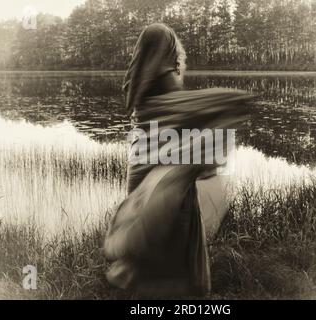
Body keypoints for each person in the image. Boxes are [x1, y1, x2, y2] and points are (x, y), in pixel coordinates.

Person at [103, 23, 253, 296]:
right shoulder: (167, 84)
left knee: (149, 264)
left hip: (143, 192)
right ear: (169, 51)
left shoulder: (141, 92)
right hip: (166, 198)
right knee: (171, 271)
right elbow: (226, 104)